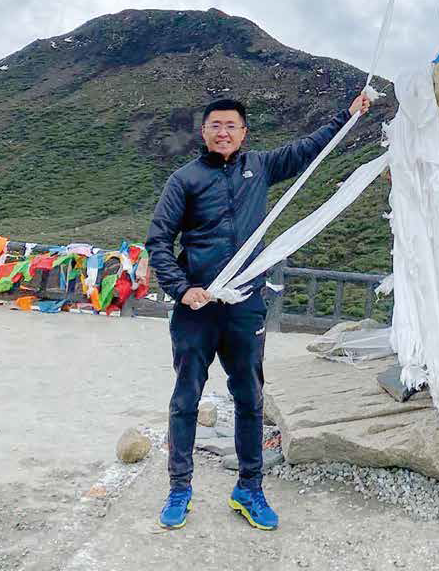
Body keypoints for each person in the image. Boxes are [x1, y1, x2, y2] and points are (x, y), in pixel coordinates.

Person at [146, 93, 371, 530]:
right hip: (198, 308)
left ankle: (249, 488)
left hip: (246, 305)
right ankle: (179, 487)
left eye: (232, 126)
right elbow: (159, 242)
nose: (223, 132)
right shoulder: (184, 180)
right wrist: (182, 289)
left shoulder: (261, 168)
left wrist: (347, 114)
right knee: (186, 395)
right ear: (204, 132)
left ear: (243, 133)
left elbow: (310, 150)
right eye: (216, 125)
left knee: (249, 396)